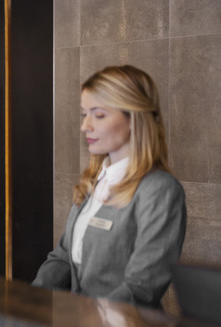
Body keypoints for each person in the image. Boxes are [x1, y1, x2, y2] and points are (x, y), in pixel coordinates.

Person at [33, 65, 186, 309]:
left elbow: (142, 286)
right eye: (84, 114)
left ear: (134, 118)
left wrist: (92, 324)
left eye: (99, 115)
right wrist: (29, 302)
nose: (85, 126)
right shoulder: (93, 181)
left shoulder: (160, 190)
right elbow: (62, 258)